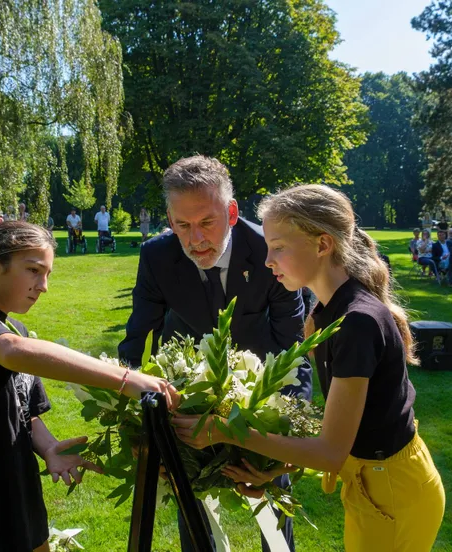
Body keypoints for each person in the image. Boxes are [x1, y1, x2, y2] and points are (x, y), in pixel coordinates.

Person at [174, 184, 445, 552]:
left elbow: (331, 451)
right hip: (371, 485)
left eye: (279, 247)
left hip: (396, 492)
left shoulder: (357, 323)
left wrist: (225, 433)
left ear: (322, 244)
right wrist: (279, 468)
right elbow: (340, 432)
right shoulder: (322, 317)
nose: (268, 260)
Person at [0, 221, 176, 552]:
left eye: (47, 274)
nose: (43, 286)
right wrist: (124, 379)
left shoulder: (13, 327)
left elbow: (25, 412)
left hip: (19, 489)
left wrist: (48, 448)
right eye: (33, 270)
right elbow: (12, 352)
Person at [118, 155, 307, 552]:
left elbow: (293, 351)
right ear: (169, 220)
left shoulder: (270, 252)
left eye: (207, 222)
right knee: (193, 504)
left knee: (273, 510)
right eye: (182, 225)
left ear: (232, 212)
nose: (196, 239)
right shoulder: (156, 257)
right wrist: (136, 423)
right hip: (189, 394)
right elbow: (136, 341)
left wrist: (284, 441)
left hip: (261, 396)